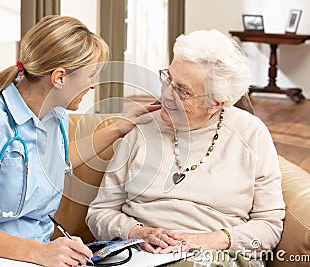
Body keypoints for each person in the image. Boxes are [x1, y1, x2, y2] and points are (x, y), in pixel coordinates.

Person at [0, 15, 160, 267]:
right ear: (59, 77)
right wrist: (39, 253)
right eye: (91, 75)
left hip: (34, 256)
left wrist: (119, 127)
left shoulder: (55, 114)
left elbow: (50, 162)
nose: (94, 85)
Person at [86, 29, 285, 266]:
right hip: (137, 254)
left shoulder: (251, 134)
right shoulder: (142, 129)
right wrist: (138, 233)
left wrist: (202, 241)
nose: (166, 95)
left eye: (183, 90)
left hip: (216, 257)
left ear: (216, 103)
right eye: (168, 78)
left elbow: (269, 226)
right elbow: (99, 213)